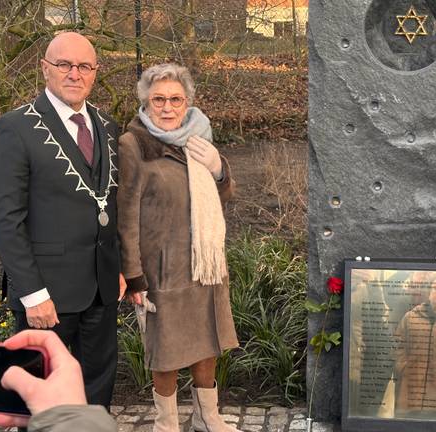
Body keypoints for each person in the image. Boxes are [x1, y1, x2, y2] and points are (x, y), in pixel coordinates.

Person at [0, 32, 122, 408]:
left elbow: (112, 203)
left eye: (84, 66)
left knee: (97, 389)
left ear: (95, 72)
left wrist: (119, 268)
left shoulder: (106, 126)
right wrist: (33, 293)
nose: (74, 74)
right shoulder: (14, 128)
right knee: (42, 398)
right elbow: (6, 221)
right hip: (46, 295)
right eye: (64, 64)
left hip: (101, 288)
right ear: (45, 69)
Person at [117, 63, 240, 432]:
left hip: (205, 265)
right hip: (162, 268)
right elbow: (126, 215)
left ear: (187, 102)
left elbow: (222, 196)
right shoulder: (134, 144)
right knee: (166, 351)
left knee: (207, 343)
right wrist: (134, 275)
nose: (167, 107)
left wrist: (219, 169)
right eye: (159, 100)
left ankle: (207, 417)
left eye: (175, 99)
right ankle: (166, 423)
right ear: (146, 102)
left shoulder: (198, 136)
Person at [0, 330, 117, 431]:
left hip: (102, 303)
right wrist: (34, 299)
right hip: (49, 307)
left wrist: (79, 418)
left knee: (99, 376)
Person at [393, 276, 436, 419]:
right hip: (412, 388)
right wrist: (403, 366)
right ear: (429, 291)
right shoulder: (411, 317)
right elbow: (399, 345)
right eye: (435, 288)